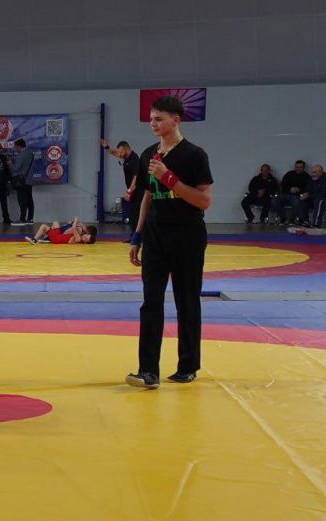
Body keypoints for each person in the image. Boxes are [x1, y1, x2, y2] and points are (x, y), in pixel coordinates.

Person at [126, 95, 213, 390]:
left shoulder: (194, 155)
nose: (153, 124)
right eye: (151, 119)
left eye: (159, 119)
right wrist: (137, 235)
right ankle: (148, 370)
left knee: (186, 301)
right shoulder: (148, 154)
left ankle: (187, 366)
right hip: (155, 236)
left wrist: (170, 179)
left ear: (175, 120)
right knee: (151, 302)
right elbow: (147, 196)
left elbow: (204, 200)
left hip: (187, 235)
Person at [102, 139, 141, 232]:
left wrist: (129, 191)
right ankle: (134, 235)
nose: (119, 155)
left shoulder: (134, 159)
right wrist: (107, 147)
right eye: (119, 152)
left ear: (126, 149)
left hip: (138, 192)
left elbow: (137, 177)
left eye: (121, 152)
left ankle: (137, 235)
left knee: (136, 215)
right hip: (133, 193)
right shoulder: (126, 157)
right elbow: (114, 152)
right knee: (132, 215)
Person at [271, 160, 310, 225]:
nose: (298, 168)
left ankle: (292, 220)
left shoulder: (307, 176)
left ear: (304, 168)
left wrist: (299, 189)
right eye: (297, 167)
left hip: (297, 196)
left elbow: (308, 188)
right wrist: (290, 189)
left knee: (296, 202)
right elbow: (283, 185)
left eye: (300, 167)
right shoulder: (289, 174)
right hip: (285, 194)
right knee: (274, 200)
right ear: (295, 167)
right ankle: (283, 217)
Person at [10, 139, 34, 226]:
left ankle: (22, 219)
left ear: (18, 146)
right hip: (29, 181)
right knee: (29, 200)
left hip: (21, 181)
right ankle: (30, 219)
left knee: (22, 200)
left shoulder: (21, 155)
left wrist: (10, 164)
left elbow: (16, 168)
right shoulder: (30, 153)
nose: (14, 148)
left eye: (15, 147)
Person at [24, 217, 97, 245]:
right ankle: (38, 239)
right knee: (45, 226)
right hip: (58, 237)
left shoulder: (78, 239)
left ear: (86, 242)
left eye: (86, 238)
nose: (85, 236)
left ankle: (36, 240)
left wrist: (76, 221)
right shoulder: (79, 237)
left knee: (44, 226)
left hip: (57, 238)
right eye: (86, 236)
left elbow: (74, 227)